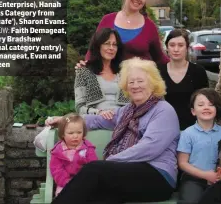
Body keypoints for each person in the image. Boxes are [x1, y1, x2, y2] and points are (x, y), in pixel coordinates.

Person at [47, 57, 180, 204]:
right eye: (131, 82)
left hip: (158, 177)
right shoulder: (126, 111)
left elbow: (149, 148)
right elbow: (97, 120)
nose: (135, 86)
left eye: (141, 81)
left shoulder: (163, 110)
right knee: (97, 197)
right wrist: (65, 120)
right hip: (128, 174)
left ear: (153, 83)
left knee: (93, 170)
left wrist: (112, 160)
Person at [77, 0, 169, 68]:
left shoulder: (149, 26)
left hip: (138, 82)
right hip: (110, 80)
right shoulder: (107, 20)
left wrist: (179, 67)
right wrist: (86, 65)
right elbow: (93, 49)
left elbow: (159, 57)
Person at [177, 88, 221, 204]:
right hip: (193, 179)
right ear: (193, 111)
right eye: (201, 104)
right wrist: (205, 175)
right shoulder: (188, 133)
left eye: (211, 104)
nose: (206, 107)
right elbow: (182, 163)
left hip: (218, 179)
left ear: (216, 109)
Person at [158, 29, 209, 130]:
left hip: (193, 129)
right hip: (164, 128)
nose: (176, 49)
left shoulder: (198, 72)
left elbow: (205, 103)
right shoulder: (158, 72)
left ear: (187, 48)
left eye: (180, 45)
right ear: (166, 48)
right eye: (172, 45)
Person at [74, 28, 129, 117]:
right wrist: (98, 112)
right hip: (95, 118)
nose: (111, 48)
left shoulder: (124, 72)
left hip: (121, 118)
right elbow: (79, 107)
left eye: (114, 45)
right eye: (107, 44)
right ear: (98, 46)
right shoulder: (84, 72)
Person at [49, 113, 98, 196]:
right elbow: (56, 169)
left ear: (84, 133)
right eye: (71, 133)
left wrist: (86, 181)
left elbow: (93, 166)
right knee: (63, 196)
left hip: (84, 182)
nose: (75, 136)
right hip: (65, 183)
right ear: (62, 134)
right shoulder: (58, 151)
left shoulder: (88, 148)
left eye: (79, 132)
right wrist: (67, 182)